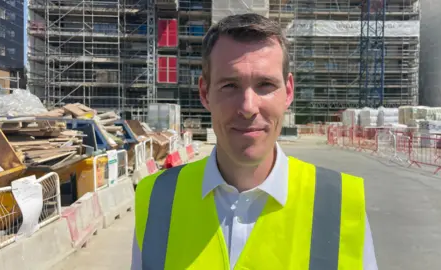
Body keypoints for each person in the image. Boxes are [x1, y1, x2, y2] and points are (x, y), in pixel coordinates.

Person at [131, 13, 377, 270]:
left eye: (265, 85)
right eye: (230, 86)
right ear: (205, 93)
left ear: (288, 92)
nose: (248, 107)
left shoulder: (339, 206)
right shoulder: (157, 200)